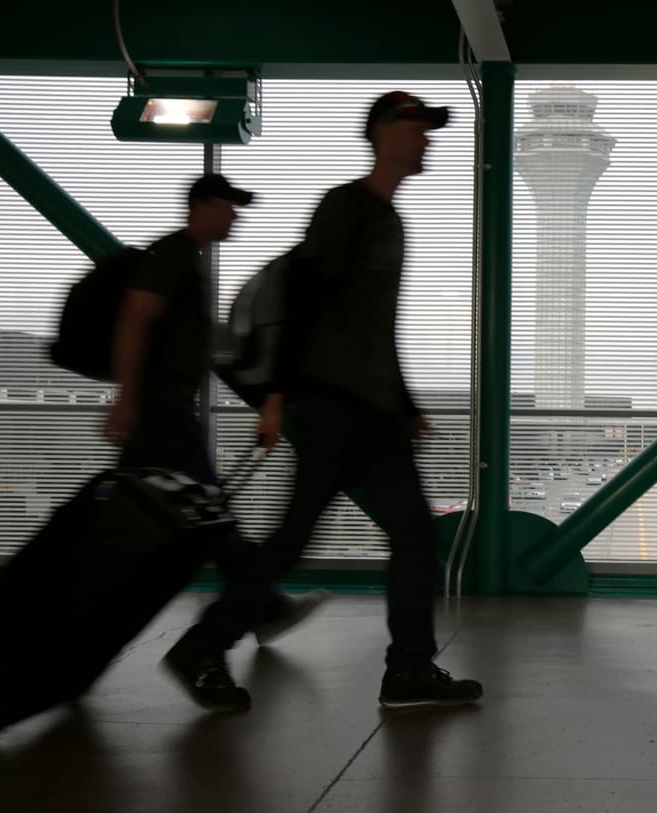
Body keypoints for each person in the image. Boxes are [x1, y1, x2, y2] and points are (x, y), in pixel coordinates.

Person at [163, 93, 482, 711]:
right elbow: (303, 300)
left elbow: (375, 327)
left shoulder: (390, 221)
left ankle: (410, 670)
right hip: (330, 408)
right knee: (293, 541)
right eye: (419, 127)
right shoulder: (345, 207)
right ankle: (204, 646)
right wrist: (277, 396)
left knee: (413, 535)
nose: (428, 139)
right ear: (385, 131)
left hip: (374, 412)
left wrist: (405, 402)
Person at [107, 174, 328, 711]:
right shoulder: (172, 255)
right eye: (230, 207)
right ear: (202, 206)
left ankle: (263, 606)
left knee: (185, 518)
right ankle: (259, 610)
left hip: (166, 408)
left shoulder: (191, 262)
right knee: (208, 514)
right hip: (160, 410)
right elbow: (135, 321)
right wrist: (127, 398)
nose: (236, 217)